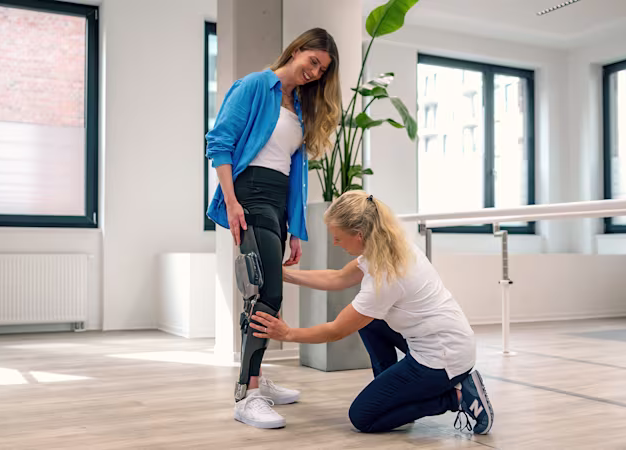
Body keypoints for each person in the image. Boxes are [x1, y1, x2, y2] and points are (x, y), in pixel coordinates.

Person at [249, 190, 494, 434]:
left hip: (442, 359)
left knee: (363, 417)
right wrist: (280, 274)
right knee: (370, 321)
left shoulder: (386, 276)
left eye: (338, 237)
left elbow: (336, 330)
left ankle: (458, 397)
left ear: (359, 235)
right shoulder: (388, 246)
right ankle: (395, 395)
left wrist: (287, 333)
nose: (335, 243)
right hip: (445, 340)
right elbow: (338, 277)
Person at [205, 27, 341, 429]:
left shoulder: (298, 105)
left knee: (268, 293)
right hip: (250, 193)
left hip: (279, 202)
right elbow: (220, 143)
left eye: (322, 69)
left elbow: (295, 170)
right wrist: (231, 202)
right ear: (296, 50)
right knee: (266, 290)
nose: (315, 72)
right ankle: (245, 396)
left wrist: (295, 227)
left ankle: (257, 379)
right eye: (312, 61)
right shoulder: (253, 86)